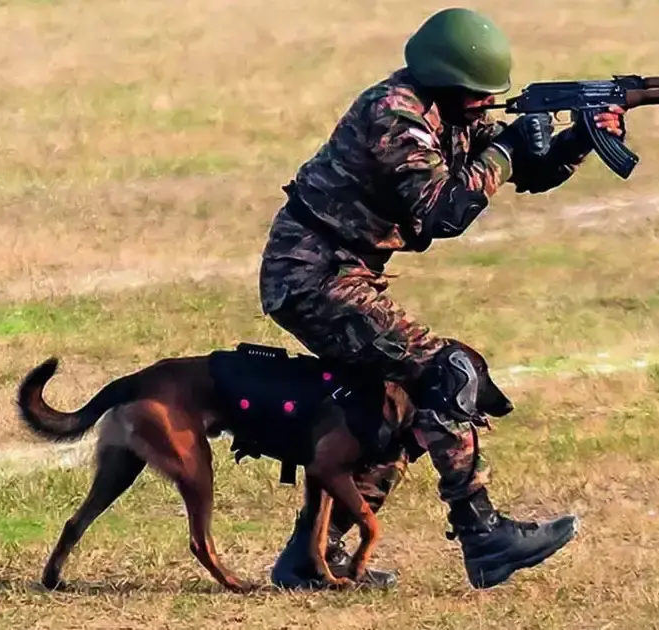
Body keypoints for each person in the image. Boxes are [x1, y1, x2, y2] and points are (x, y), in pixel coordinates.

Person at [257, 7, 626, 590]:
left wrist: (580, 137)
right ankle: (482, 535)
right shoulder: (395, 115)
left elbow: (526, 173)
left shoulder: (449, 110)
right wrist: (502, 151)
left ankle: (310, 557)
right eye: (477, 96)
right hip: (312, 273)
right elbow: (443, 210)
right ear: (446, 83)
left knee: (398, 406)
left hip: (344, 270)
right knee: (447, 373)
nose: (485, 105)